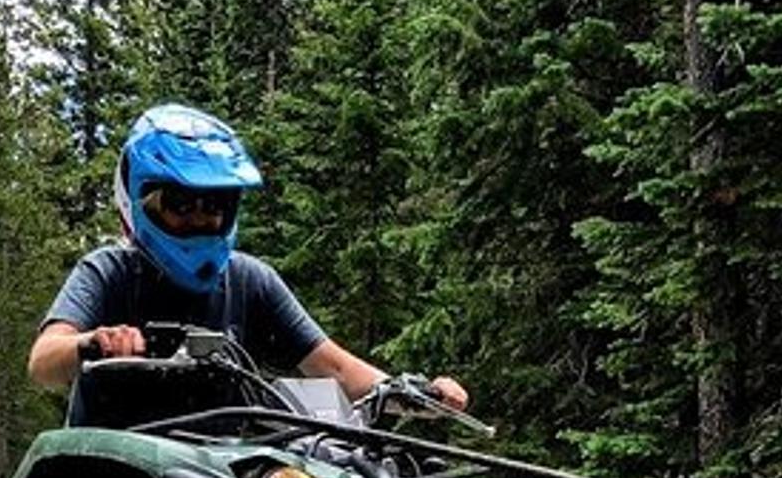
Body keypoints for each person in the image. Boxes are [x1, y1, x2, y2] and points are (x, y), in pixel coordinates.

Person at [29, 103, 468, 412]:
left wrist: (412, 393)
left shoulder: (249, 280)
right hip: (107, 473)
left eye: (214, 206)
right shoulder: (108, 271)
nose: (200, 219)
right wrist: (94, 343)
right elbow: (44, 361)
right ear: (137, 201)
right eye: (180, 206)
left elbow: (332, 366)